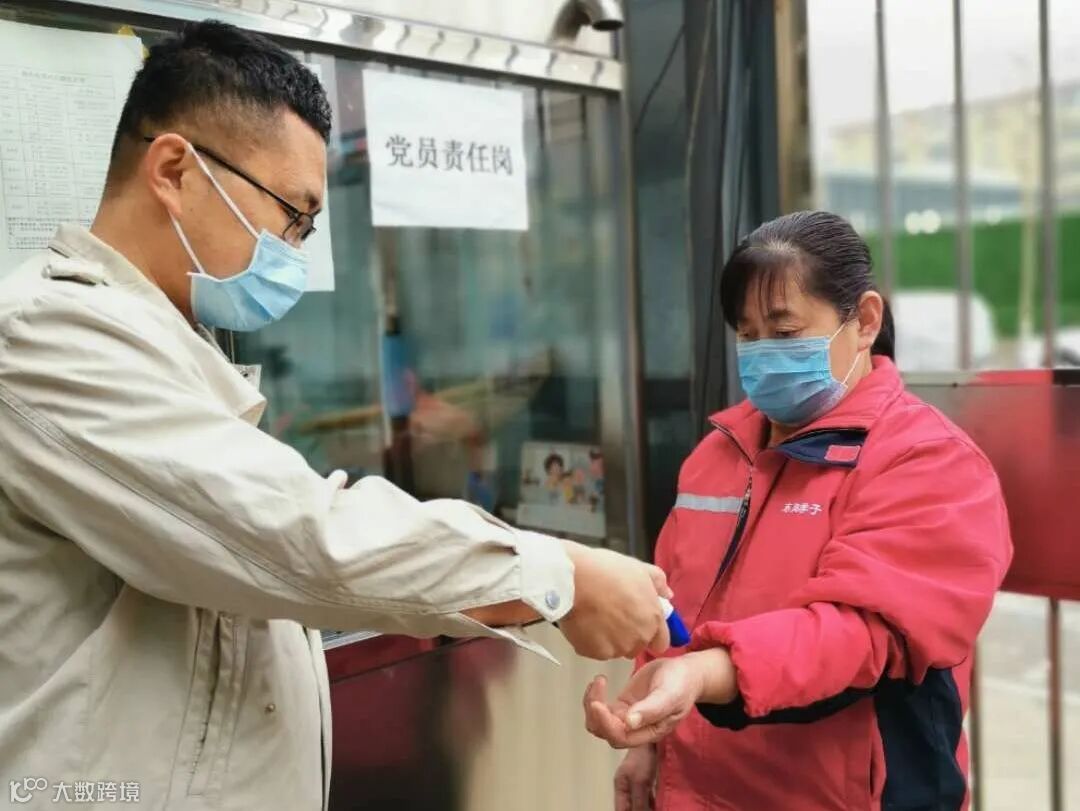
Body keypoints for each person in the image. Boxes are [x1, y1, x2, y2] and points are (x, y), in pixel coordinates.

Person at [0, 21, 671, 810]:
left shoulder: (167, 344)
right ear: (175, 170)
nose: (294, 250)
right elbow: (299, 537)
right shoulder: (43, 336)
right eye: (292, 213)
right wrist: (558, 577)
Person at [584, 211, 1013, 810]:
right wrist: (652, 735)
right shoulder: (717, 454)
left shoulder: (928, 461)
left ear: (865, 321)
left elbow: (859, 637)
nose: (763, 354)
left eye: (785, 333)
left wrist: (703, 675)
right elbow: (672, 606)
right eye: (748, 334)